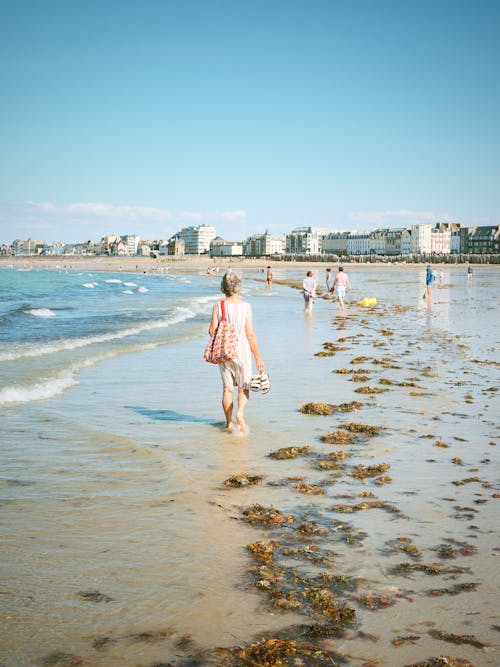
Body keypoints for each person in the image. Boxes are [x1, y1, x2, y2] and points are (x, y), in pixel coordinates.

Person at [208, 271, 265, 433]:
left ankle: (229, 423)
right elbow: (250, 334)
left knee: (227, 389)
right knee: (243, 386)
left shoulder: (218, 306)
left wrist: (223, 332)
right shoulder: (246, 307)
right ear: (239, 288)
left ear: (223, 288)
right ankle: (240, 414)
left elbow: (212, 331)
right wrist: (258, 358)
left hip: (225, 351)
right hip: (242, 351)